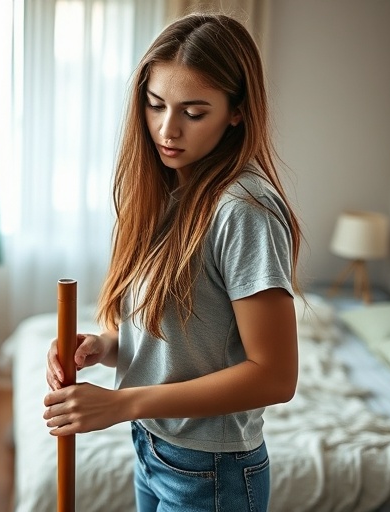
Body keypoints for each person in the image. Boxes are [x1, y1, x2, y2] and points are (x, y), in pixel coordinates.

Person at [44, 12, 302, 512]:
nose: (167, 129)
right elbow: (188, 344)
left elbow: (275, 376)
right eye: (156, 105)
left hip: (211, 470)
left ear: (237, 111)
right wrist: (104, 347)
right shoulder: (170, 192)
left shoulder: (243, 210)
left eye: (194, 112)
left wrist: (121, 403)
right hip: (155, 449)